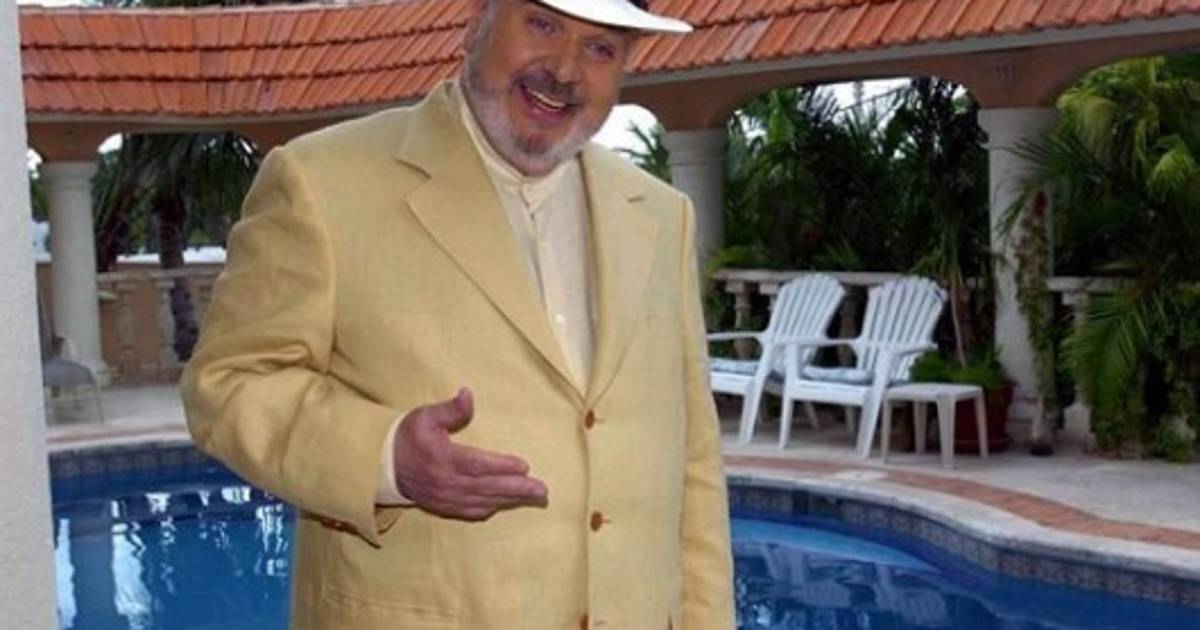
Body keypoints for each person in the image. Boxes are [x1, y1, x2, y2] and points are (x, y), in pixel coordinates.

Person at [181, 0, 734, 628]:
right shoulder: (318, 180)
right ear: (479, 21)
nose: (564, 70)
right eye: (543, 24)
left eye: (600, 48)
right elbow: (227, 384)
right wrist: (385, 458)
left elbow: (694, 458)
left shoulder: (662, 215)